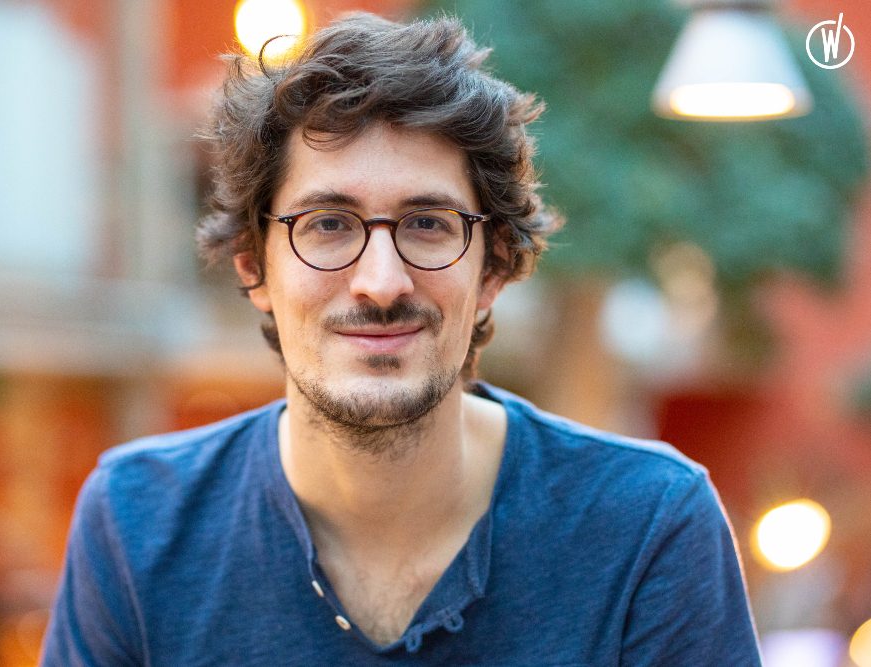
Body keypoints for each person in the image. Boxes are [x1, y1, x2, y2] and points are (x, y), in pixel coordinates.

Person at [41, 12, 763, 666]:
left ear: (493, 269)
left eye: (427, 224)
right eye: (327, 224)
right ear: (253, 266)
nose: (381, 283)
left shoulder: (646, 525)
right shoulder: (138, 524)